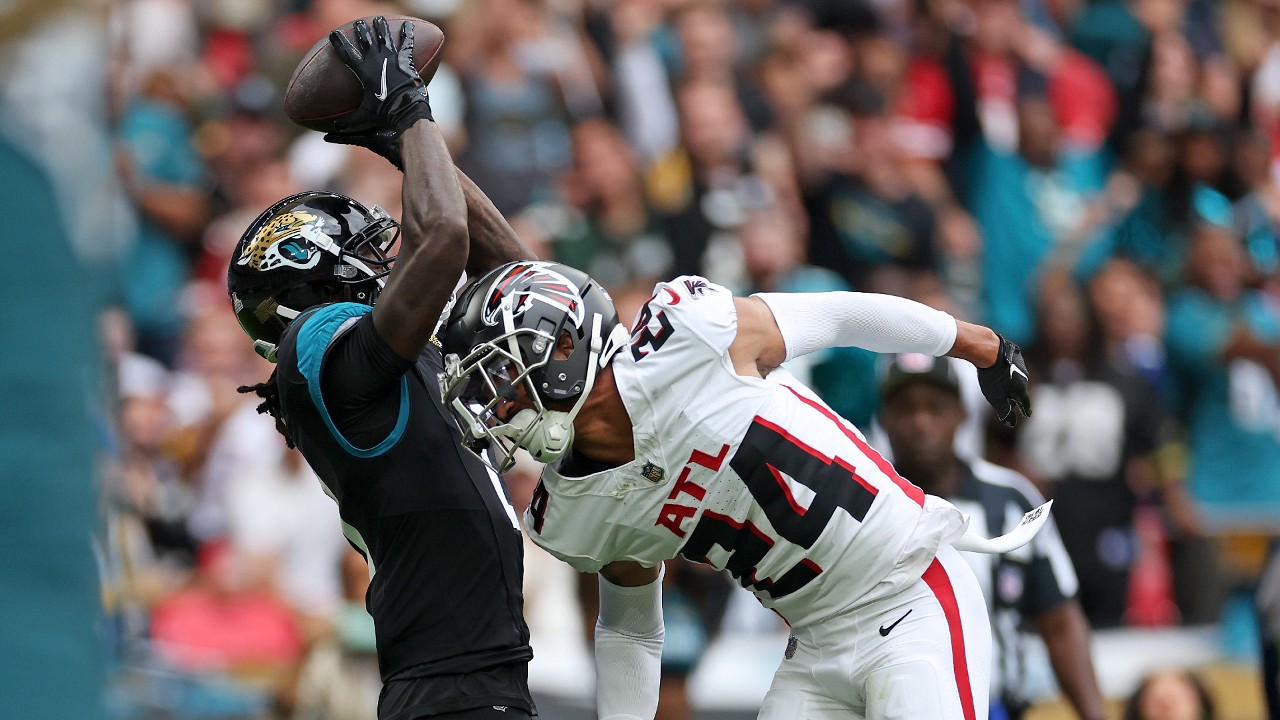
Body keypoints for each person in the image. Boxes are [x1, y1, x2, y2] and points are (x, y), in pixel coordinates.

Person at [441, 260, 1039, 719]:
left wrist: (979, 346)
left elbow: (835, 316)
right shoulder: (570, 510)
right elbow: (630, 627)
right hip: (814, 641)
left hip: (911, 594)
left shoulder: (686, 337)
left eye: (499, 374)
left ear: (565, 348)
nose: (497, 403)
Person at [227, 18, 537, 720]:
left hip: (470, 689)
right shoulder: (319, 350)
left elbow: (523, 284)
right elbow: (445, 240)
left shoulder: (380, 363)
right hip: (450, 696)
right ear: (311, 275)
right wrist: (409, 111)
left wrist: (400, 144)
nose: (386, 255)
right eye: (367, 246)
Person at [876, 353, 1104, 720]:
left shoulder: (1012, 501)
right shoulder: (865, 501)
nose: (921, 423)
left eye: (935, 408)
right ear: (885, 419)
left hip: (993, 708)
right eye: (906, 409)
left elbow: (1060, 622)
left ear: (961, 415)